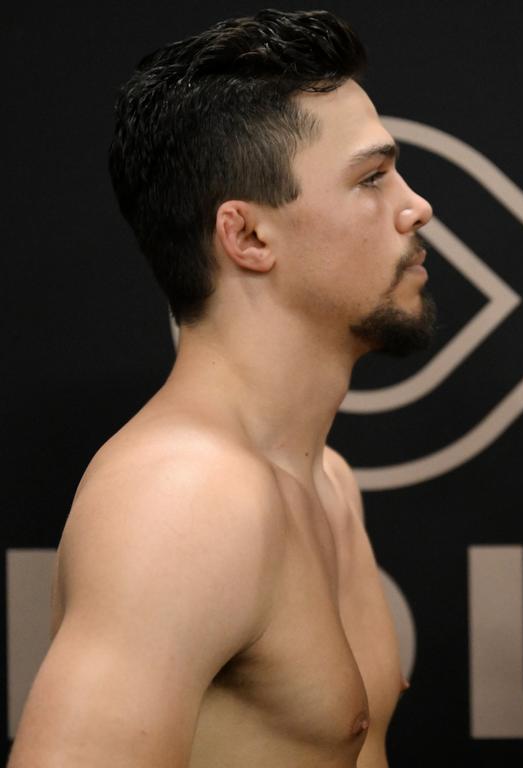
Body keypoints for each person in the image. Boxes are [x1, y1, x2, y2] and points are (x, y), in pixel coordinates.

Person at [9, 9, 434, 767]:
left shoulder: (326, 481)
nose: (415, 206)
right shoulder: (185, 500)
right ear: (247, 238)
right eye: (372, 178)